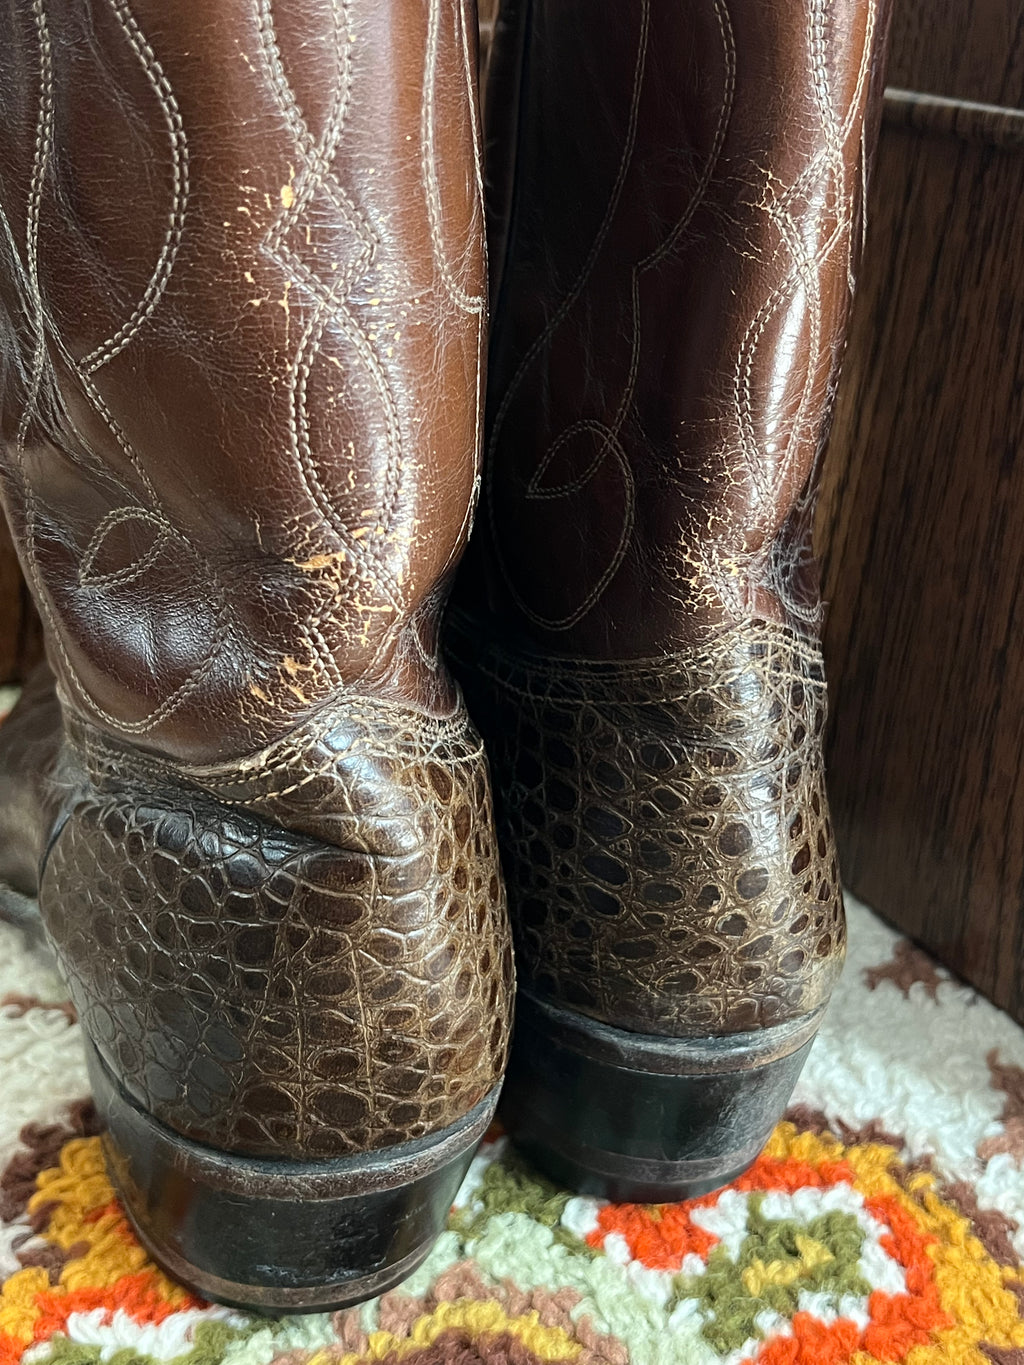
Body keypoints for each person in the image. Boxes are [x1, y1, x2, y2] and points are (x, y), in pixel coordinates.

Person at [0, 0, 887, 1311]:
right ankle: (692, 797)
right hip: (712, 806)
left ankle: (275, 829)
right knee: (681, 553)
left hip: (270, 852)